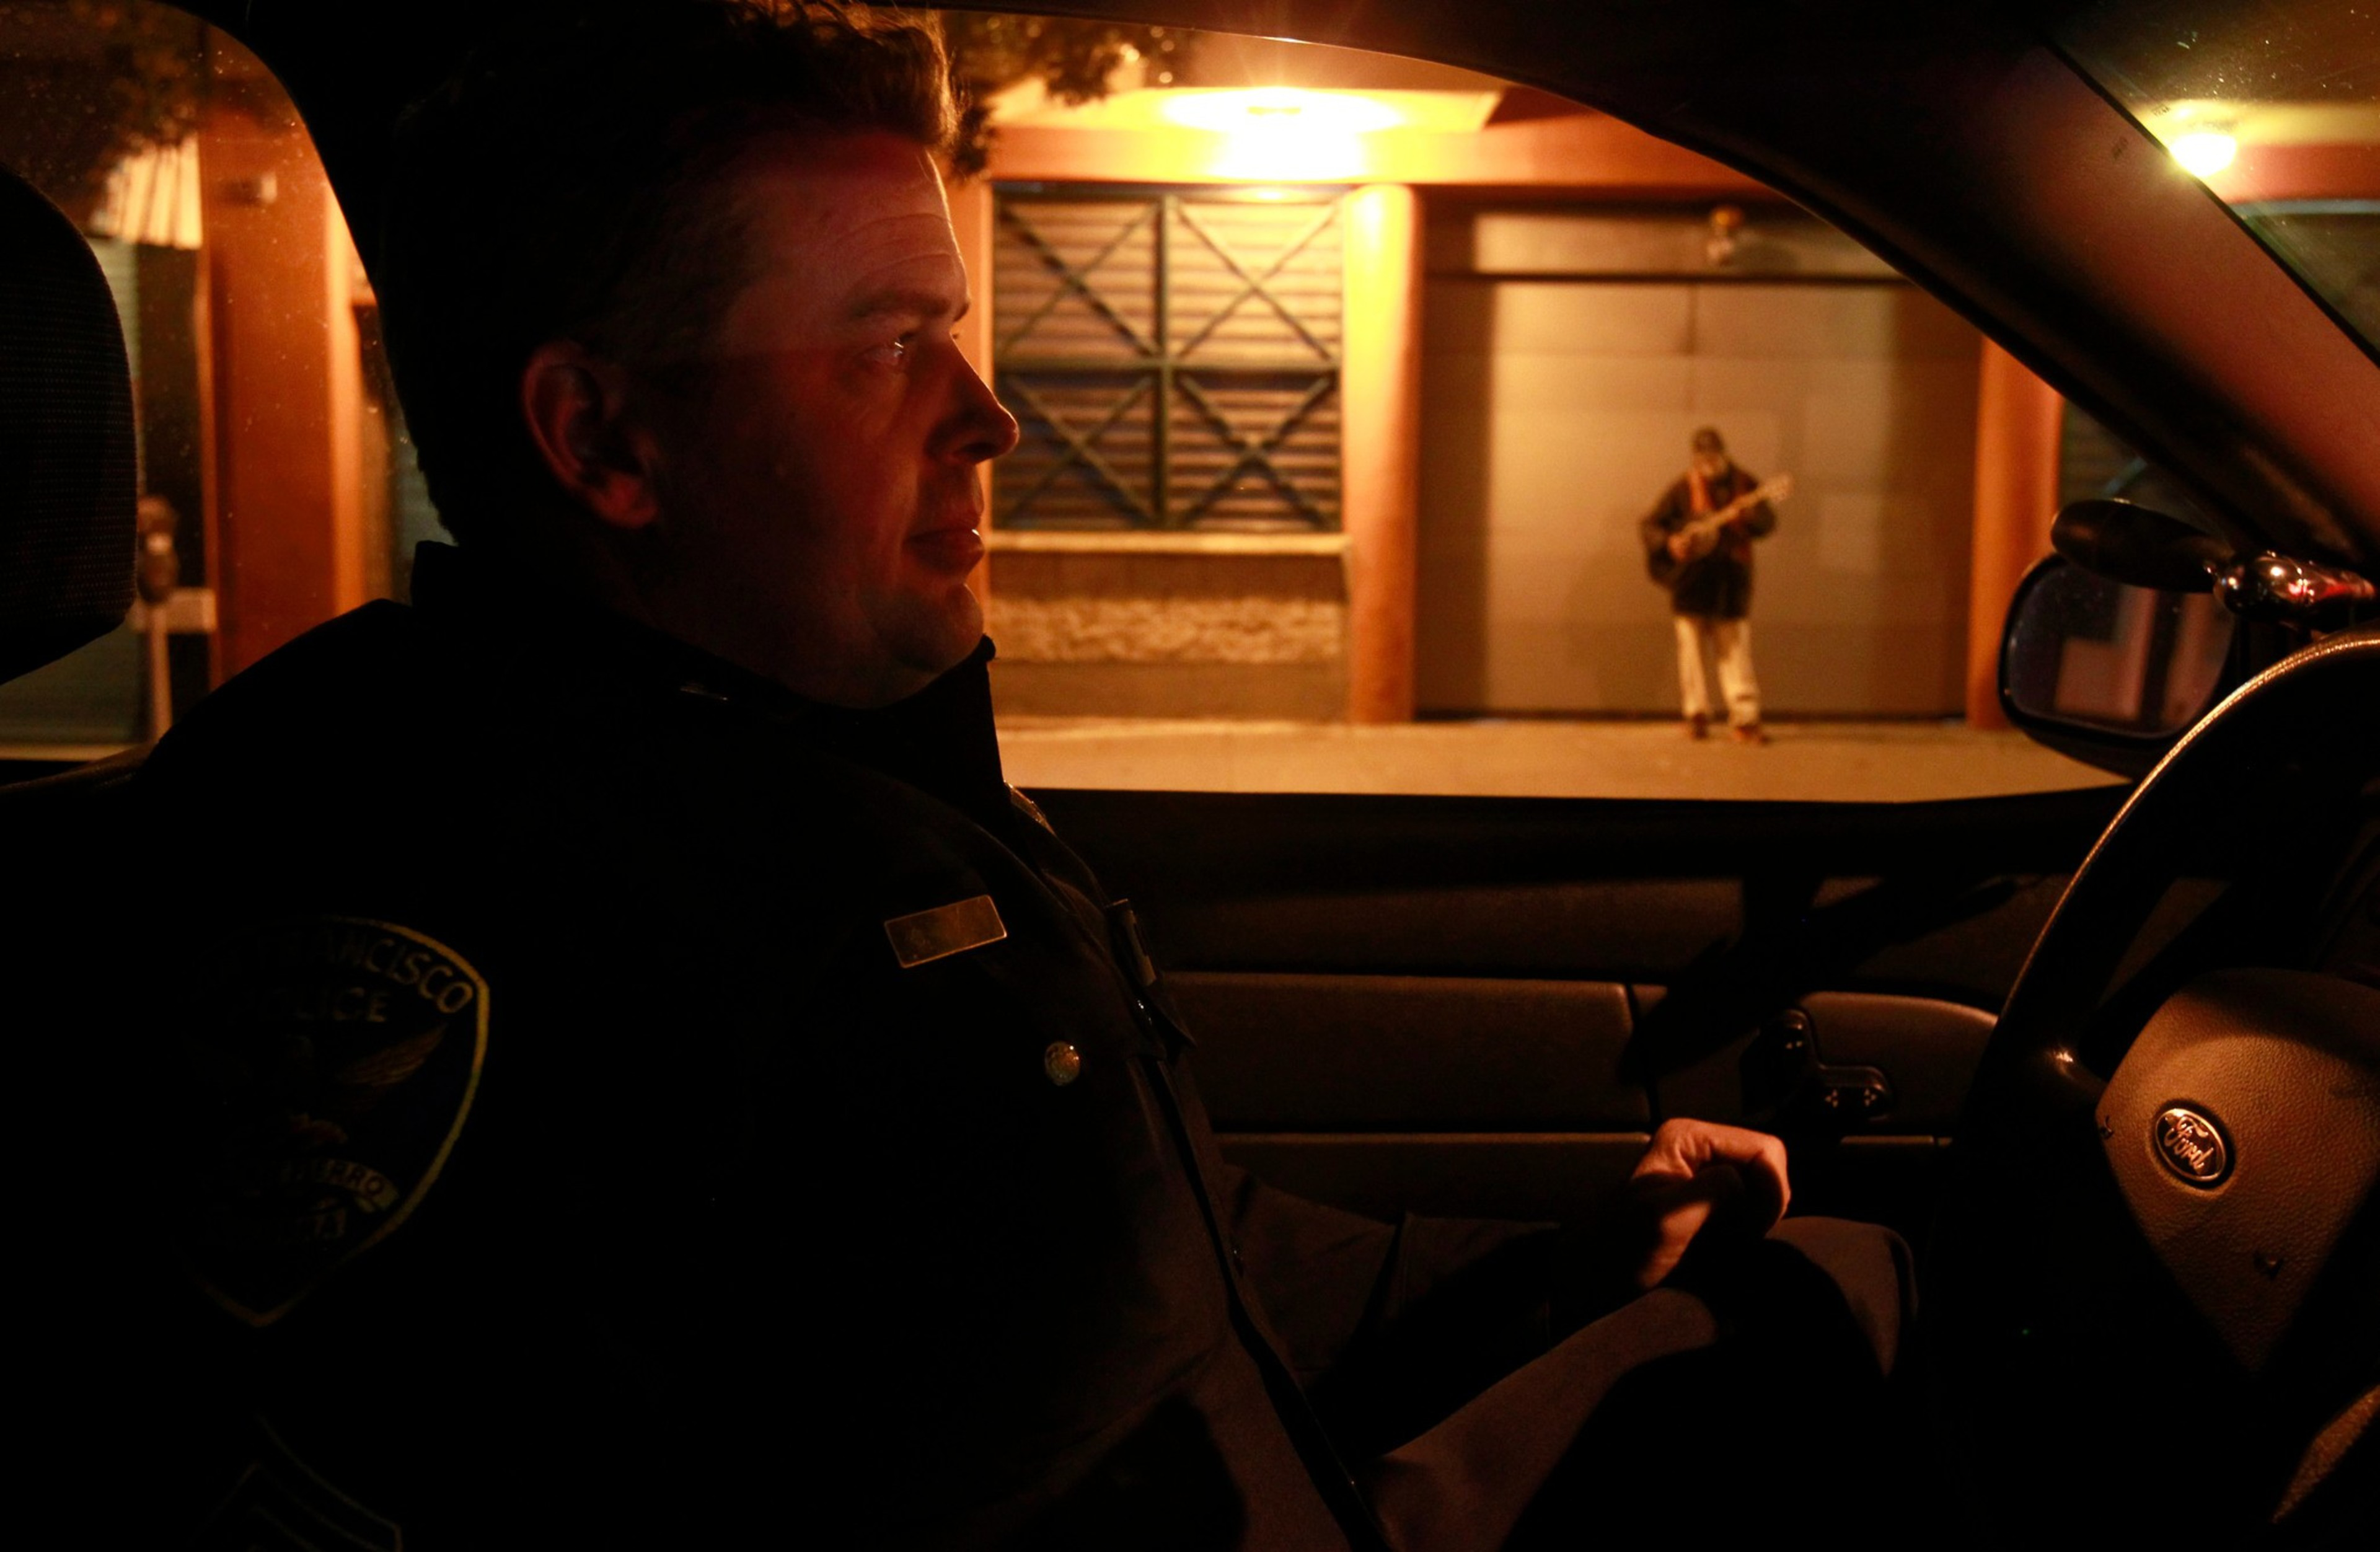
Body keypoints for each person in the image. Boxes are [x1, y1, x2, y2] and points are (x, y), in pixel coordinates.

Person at [128, 6, 1910, 1546]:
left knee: (1823, 1306)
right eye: (890, 346)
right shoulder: (437, 874)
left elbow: (1170, 1275)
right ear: (605, 438)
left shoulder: (844, 786)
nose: (992, 414)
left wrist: (1572, 1264)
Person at [1640, 427, 1779, 743]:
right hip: (1691, 582)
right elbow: (1650, 525)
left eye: (1712, 456)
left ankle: (1744, 718)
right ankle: (1696, 714)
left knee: (1735, 653)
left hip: (1730, 583)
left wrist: (1748, 517)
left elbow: (1767, 523)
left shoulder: (1745, 485)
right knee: (1690, 652)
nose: (1707, 462)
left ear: (1723, 454)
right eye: (1701, 457)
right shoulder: (1682, 488)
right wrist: (1670, 542)